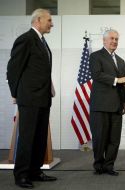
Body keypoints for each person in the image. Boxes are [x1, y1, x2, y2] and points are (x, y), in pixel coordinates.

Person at [7, 8, 57, 188]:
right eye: (49, 20)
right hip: (29, 98)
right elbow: (13, 69)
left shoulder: (42, 41)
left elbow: (40, 69)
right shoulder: (26, 39)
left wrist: (50, 87)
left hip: (43, 98)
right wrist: (16, 93)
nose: (52, 23)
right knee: (27, 137)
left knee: (40, 137)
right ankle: (21, 175)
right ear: (38, 20)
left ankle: (35, 171)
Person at [89, 29, 125, 176]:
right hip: (100, 105)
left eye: (116, 39)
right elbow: (97, 75)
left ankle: (109, 166)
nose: (114, 41)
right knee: (100, 138)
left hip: (117, 106)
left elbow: (123, 82)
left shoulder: (121, 61)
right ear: (104, 40)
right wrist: (116, 80)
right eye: (111, 38)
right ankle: (98, 165)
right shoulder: (95, 56)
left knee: (114, 139)